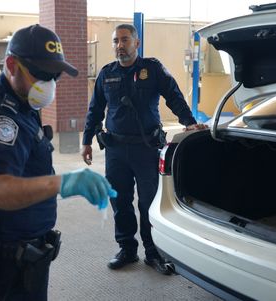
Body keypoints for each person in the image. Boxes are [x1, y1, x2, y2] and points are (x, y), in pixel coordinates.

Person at [0, 24, 117, 301]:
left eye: (54, 75)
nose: (49, 83)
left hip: (23, 252)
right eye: (41, 74)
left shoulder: (22, 101)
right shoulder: (0, 113)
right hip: (6, 257)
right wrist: (64, 182)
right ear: (11, 64)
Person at [81, 24, 206, 275]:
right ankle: (127, 249)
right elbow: (95, 110)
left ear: (136, 43)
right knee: (120, 200)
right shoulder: (107, 74)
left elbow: (174, 96)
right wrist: (86, 141)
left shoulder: (152, 69)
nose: (120, 45)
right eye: (116, 40)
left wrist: (189, 123)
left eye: (125, 40)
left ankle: (153, 252)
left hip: (146, 149)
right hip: (115, 149)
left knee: (149, 202)